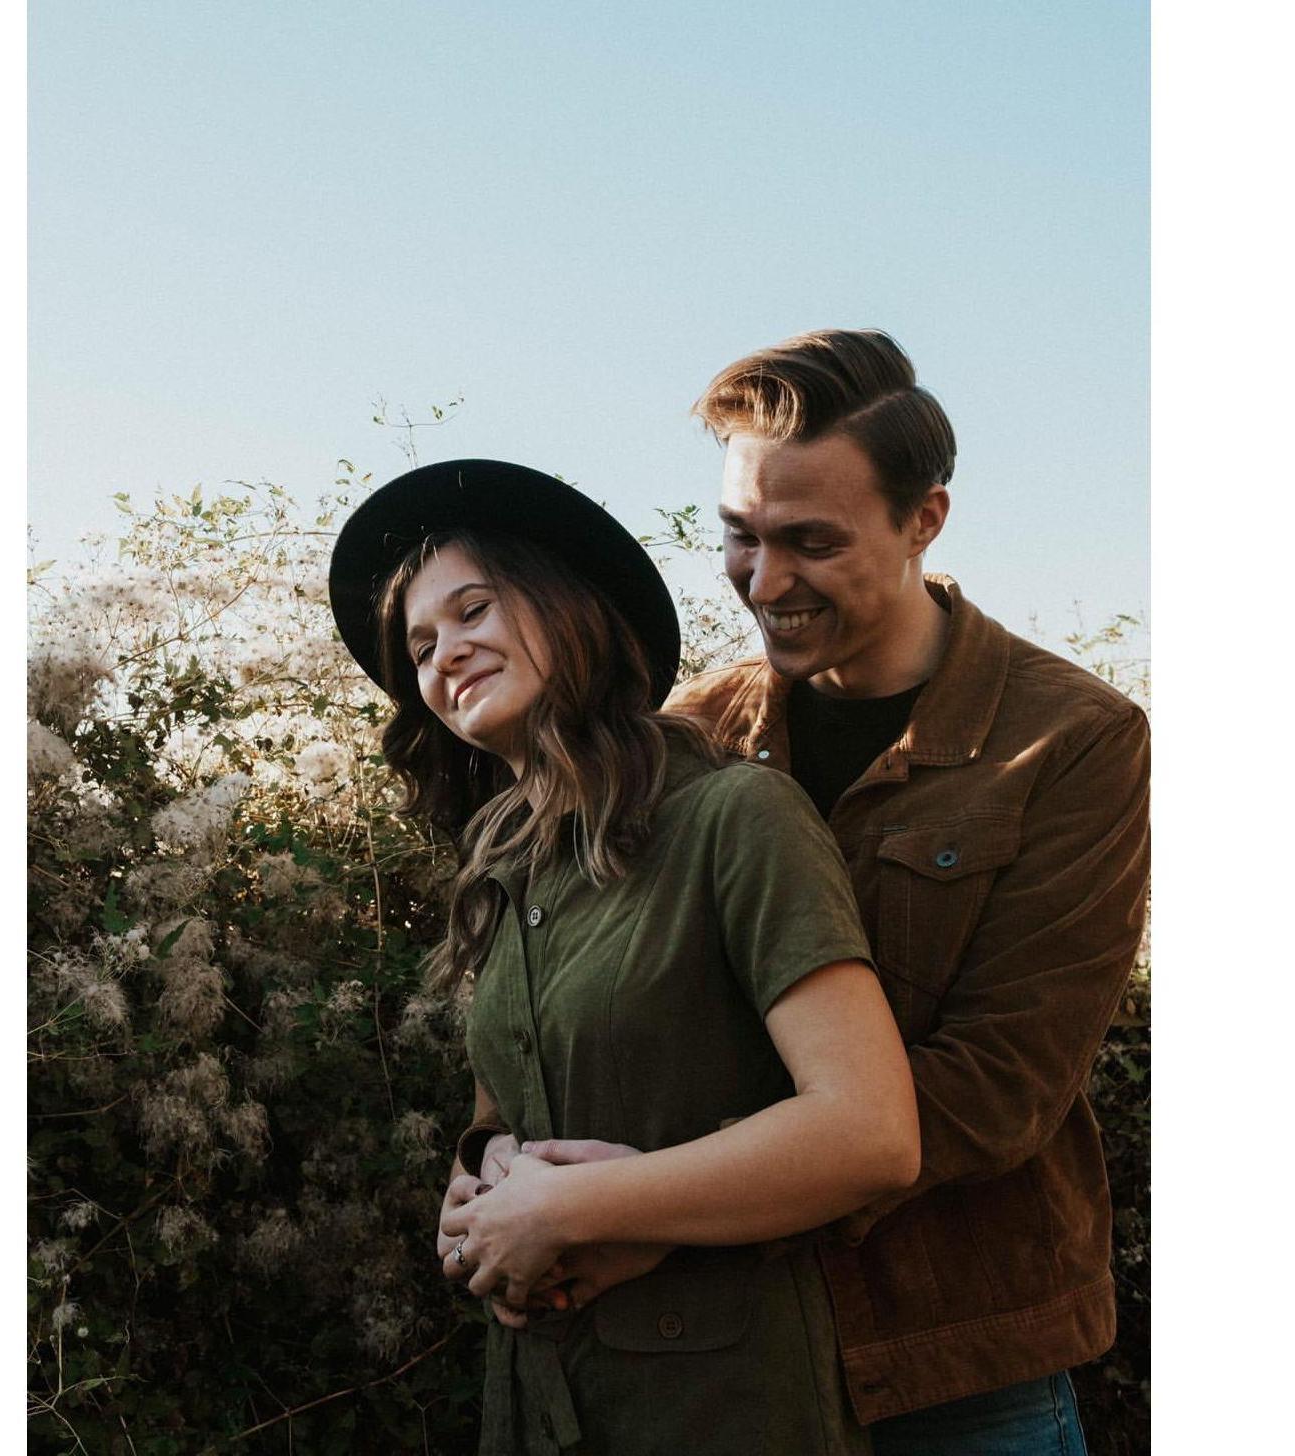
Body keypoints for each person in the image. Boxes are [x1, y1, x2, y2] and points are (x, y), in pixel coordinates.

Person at [472, 332, 1150, 1454]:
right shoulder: (687, 732)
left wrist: (661, 1218)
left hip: (954, 1361)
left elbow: (1002, 1082)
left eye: (811, 543)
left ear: (924, 518)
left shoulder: (1074, 741)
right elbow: (578, 997)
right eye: (739, 535)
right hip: (719, 1362)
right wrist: (494, 1168)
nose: (764, 581)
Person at [328, 459, 921, 1456]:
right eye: (421, 645)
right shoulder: (505, 874)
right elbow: (506, 1107)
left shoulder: (737, 817)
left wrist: (576, 1204)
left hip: (722, 1406)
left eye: (473, 609)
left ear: (571, 609)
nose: (443, 655)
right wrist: (477, 1182)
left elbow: (870, 1133)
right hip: (538, 1402)